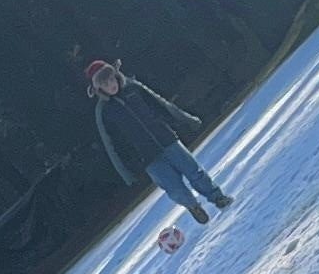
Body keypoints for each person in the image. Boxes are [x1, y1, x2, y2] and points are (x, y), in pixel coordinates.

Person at [87, 58, 233, 227]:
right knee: (174, 187)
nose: (111, 85)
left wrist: (187, 119)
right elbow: (112, 145)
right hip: (148, 157)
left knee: (194, 171)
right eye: (105, 84)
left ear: (116, 75)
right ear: (99, 89)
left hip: (167, 140)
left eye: (111, 79)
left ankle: (218, 197)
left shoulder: (133, 88)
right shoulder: (105, 112)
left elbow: (161, 104)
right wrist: (126, 172)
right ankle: (193, 205)